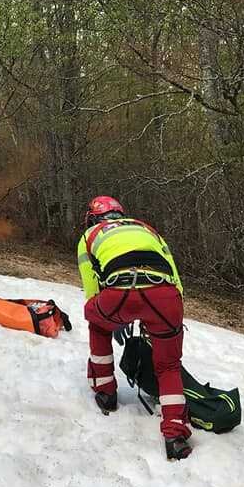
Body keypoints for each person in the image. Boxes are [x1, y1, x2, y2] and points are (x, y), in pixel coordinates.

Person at [77, 195, 193, 460]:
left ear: (93, 218)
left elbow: (91, 289)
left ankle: (105, 392)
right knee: (168, 366)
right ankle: (175, 433)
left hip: (119, 293)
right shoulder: (146, 228)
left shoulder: (89, 236)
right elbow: (174, 276)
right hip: (165, 296)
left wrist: (110, 316)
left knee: (96, 322)